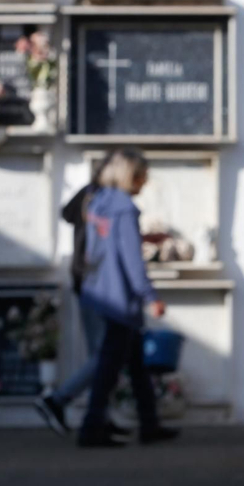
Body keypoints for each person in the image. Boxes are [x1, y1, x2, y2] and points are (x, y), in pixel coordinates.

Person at [74, 148, 179, 448]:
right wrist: (150, 296)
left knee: (135, 364)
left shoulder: (98, 203)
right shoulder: (124, 208)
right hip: (120, 298)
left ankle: (149, 423)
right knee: (109, 366)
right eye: (142, 176)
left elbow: (102, 250)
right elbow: (132, 260)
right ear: (131, 175)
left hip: (99, 290)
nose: (145, 182)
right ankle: (92, 426)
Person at [31, 161, 123, 439]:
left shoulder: (88, 193)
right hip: (98, 284)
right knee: (104, 355)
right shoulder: (106, 198)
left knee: (107, 354)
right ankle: (57, 399)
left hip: (84, 280)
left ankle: (99, 416)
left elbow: (67, 214)